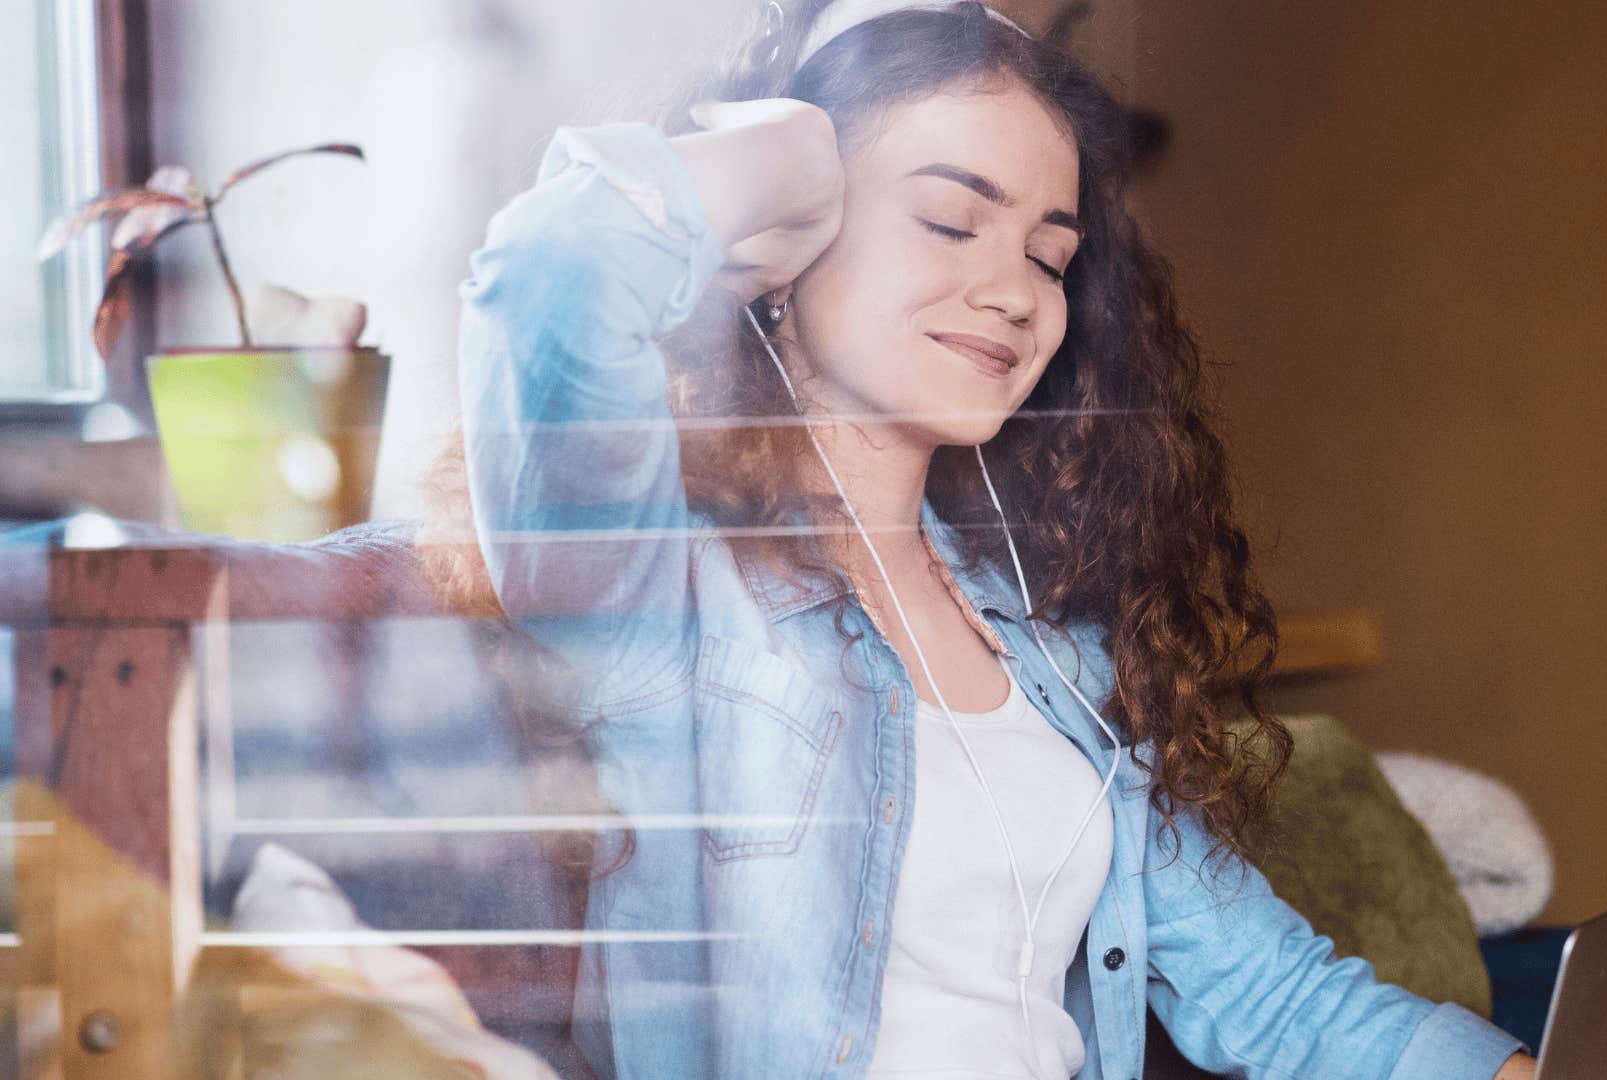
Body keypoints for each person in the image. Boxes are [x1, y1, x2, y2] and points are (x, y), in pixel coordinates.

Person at [426, 1, 1540, 1076]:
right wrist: (781, 155)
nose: (1015, 293)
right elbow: (551, 272)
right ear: (786, 245)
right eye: (950, 220)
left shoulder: (1055, 652)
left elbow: (1275, 995)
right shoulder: (655, 588)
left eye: (1050, 256)